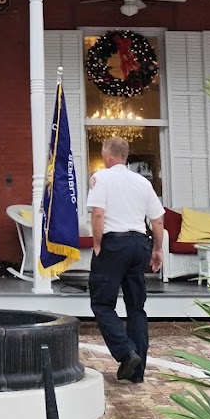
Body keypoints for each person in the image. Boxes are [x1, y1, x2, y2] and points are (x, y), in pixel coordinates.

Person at [85, 135, 164, 383]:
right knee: (136, 307)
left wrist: (97, 243)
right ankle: (137, 373)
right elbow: (157, 221)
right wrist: (158, 250)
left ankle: (126, 352)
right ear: (125, 156)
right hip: (140, 244)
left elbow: (98, 213)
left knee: (102, 303)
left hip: (114, 244)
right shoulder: (142, 182)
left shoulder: (101, 178)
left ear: (108, 155)